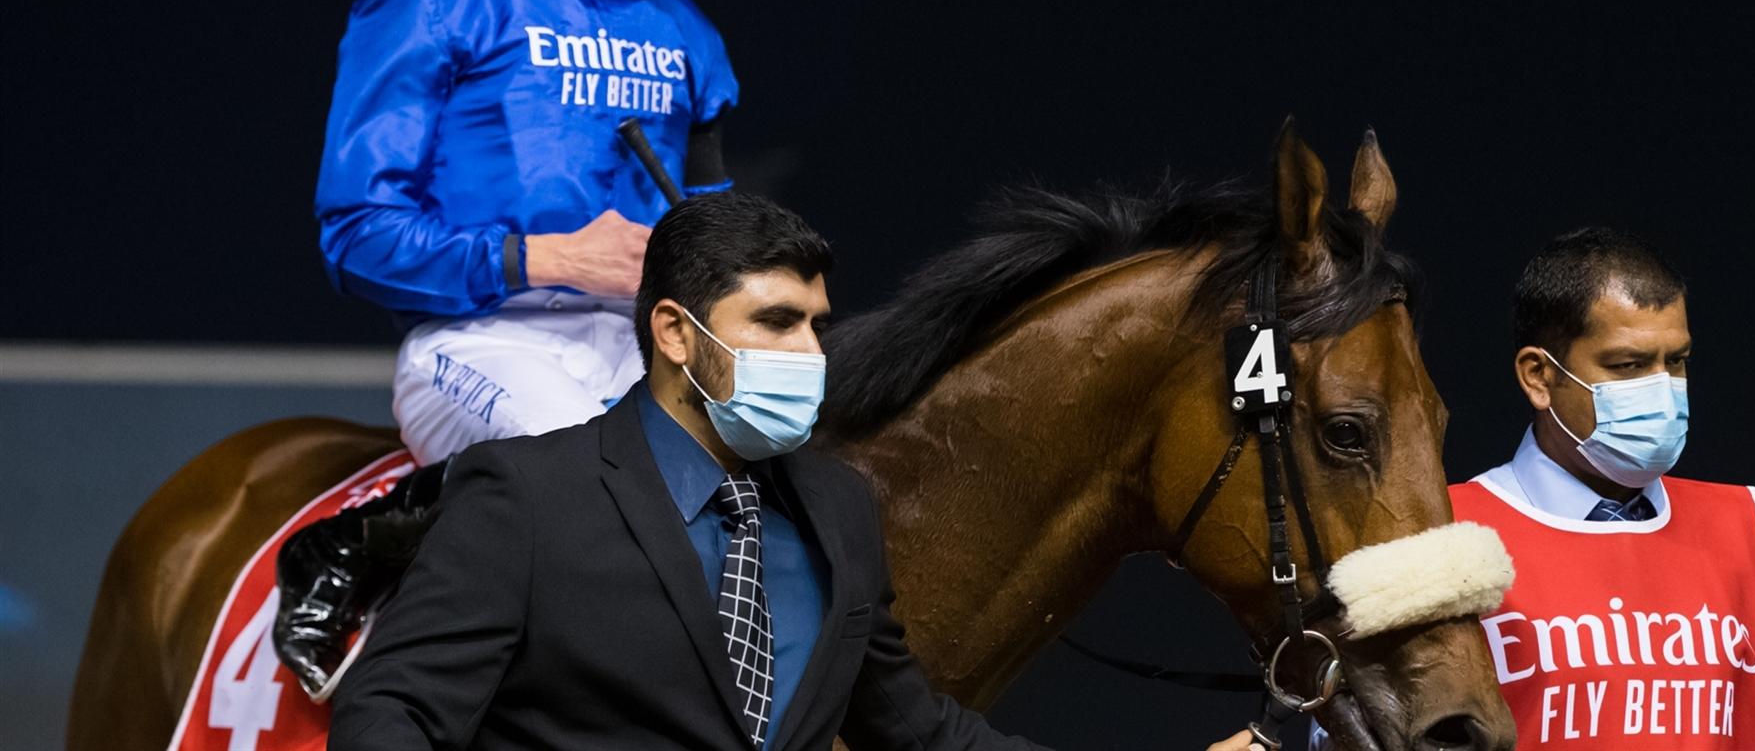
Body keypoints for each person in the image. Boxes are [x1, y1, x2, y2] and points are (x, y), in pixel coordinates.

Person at [329, 192, 1258, 751]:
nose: (810, 351)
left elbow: (921, 736)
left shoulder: (837, 509)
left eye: (816, 323)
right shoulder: (529, 494)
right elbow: (395, 712)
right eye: (774, 323)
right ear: (672, 335)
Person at [276, 0, 748, 697]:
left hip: (645, 346)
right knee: (597, 483)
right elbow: (356, 235)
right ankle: (357, 546)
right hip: (484, 343)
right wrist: (552, 258)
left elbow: (721, 227)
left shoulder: (686, 30)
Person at [1450, 228, 1755, 748]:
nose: (1663, 388)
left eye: (1676, 361)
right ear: (1538, 376)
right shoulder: (1448, 534)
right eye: (1629, 365)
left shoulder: (1732, 523)